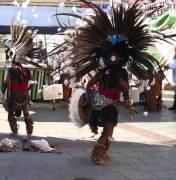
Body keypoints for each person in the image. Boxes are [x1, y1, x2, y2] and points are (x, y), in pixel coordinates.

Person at [58, 1, 166, 165]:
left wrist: (93, 96)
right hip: (106, 104)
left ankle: (102, 152)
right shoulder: (110, 72)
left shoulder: (111, 71)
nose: (113, 58)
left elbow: (100, 85)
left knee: (109, 130)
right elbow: (122, 87)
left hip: (104, 103)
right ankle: (97, 155)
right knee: (108, 130)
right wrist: (94, 97)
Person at [3, 61, 34, 137]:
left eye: (12, 64)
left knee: (10, 112)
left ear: (14, 64)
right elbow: (31, 81)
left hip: (14, 94)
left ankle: (14, 131)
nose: (11, 65)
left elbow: (7, 82)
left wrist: (4, 90)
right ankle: (29, 132)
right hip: (25, 95)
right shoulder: (26, 69)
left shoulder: (11, 70)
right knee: (26, 113)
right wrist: (27, 89)